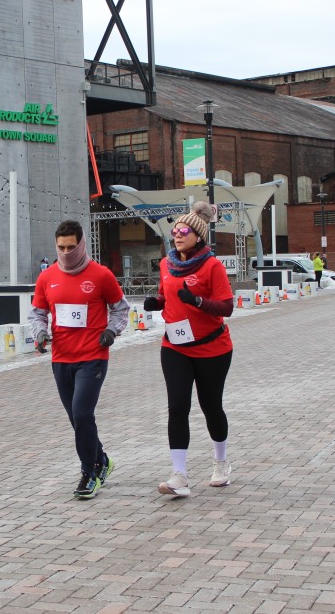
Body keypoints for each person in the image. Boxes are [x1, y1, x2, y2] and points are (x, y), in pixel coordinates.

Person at [28, 220, 129, 500]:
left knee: (83, 414)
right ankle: (102, 460)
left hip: (92, 357)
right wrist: (40, 333)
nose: (66, 252)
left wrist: (111, 331)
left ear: (82, 244)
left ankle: (89, 473)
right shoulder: (47, 277)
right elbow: (37, 313)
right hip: (61, 358)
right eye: (61, 247)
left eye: (71, 247)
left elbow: (121, 309)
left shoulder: (101, 275)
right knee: (77, 418)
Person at [142, 201, 235, 498]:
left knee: (211, 406)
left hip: (212, 348)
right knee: (177, 407)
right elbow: (166, 295)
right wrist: (156, 303)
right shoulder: (166, 264)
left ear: (198, 236)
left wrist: (197, 301)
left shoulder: (212, 266)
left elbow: (227, 307)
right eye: (175, 231)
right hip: (175, 347)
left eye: (184, 231)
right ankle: (179, 475)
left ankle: (221, 463)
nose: (177, 235)